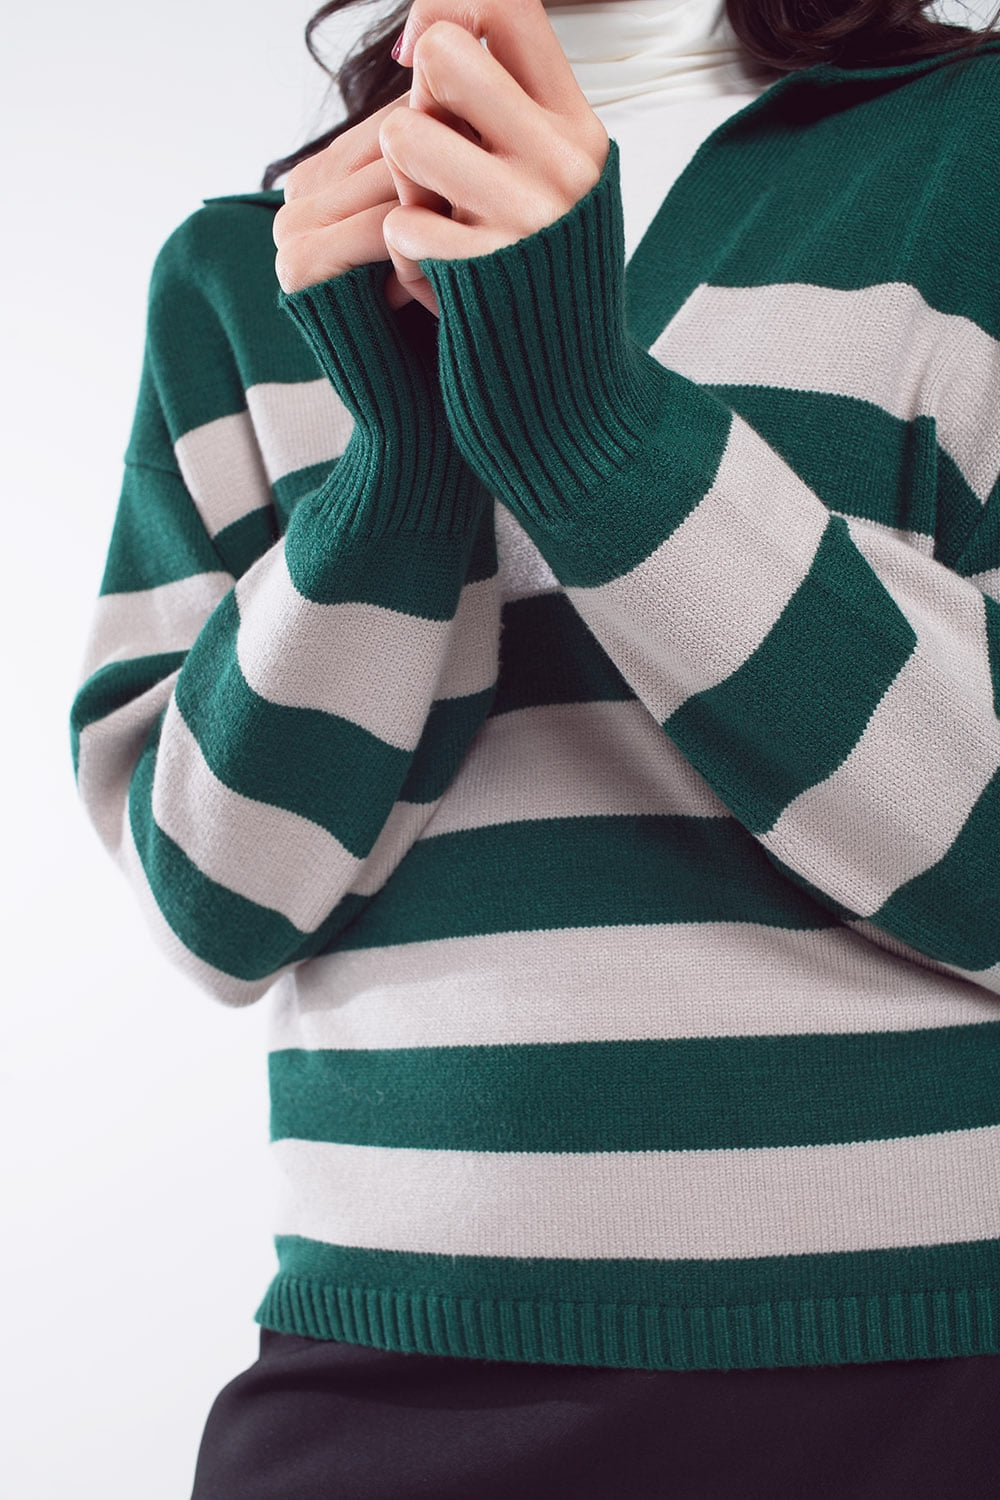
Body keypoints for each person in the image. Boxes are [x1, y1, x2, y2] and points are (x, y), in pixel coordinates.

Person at [70, 0, 1000, 1494]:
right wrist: (397, 477)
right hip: (379, 1372)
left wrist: (588, 426)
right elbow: (218, 908)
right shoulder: (255, 271)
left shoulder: (973, 157)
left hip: (924, 1373)